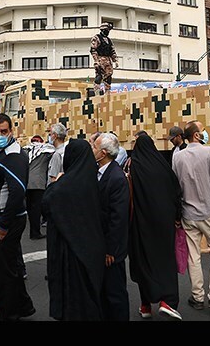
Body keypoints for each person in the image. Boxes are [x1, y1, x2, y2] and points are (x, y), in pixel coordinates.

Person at [173, 120, 210, 313]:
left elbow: (176, 188)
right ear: (197, 135)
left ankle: (197, 297)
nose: (205, 132)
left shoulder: (177, 157)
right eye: (203, 130)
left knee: (193, 256)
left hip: (188, 214)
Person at [0, 113, 35, 321]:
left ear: (11, 131)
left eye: (4, 131)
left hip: (3, 219)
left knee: (4, 273)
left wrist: (3, 225)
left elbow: (18, 192)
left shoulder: (14, 155)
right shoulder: (0, 151)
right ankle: (23, 306)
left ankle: (9, 314)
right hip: (0, 217)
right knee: (11, 267)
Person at [42, 139, 106, 320]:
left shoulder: (66, 184)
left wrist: (57, 182)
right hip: (92, 247)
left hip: (69, 250)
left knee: (71, 295)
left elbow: (47, 204)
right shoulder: (93, 178)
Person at [128, 132, 183, 320]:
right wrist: (177, 216)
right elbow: (176, 192)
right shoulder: (162, 166)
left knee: (143, 261)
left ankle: (145, 305)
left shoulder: (133, 165)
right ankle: (167, 301)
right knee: (165, 260)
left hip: (140, 224)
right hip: (163, 223)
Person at [93, 132, 131, 321]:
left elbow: (118, 219)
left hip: (111, 250)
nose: (93, 150)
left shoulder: (116, 177)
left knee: (115, 293)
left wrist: (110, 250)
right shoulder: (99, 172)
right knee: (104, 292)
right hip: (100, 244)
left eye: (95, 147)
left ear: (104, 152)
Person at [26, 132, 55, 240]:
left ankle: (33, 231)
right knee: (36, 209)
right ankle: (35, 232)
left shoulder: (26, 151)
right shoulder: (45, 152)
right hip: (38, 184)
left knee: (30, 209)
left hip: (27, 183)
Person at [90, 22, 118, 94]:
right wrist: (96, 60)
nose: (108, 32)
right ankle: (96, 92)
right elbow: (93, 50)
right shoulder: (96, 38)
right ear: (102, 30)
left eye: (108, 30)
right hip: (100, 59)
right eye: (106, 30)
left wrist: (115, 60)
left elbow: (112, 51)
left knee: (108, 76)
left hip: (108, 60)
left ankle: (107, 92)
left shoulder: (109, 40)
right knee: (99, 75)